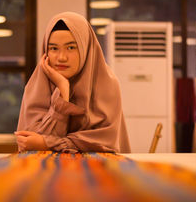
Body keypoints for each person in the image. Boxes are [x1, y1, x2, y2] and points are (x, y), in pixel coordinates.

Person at [15, 12, 130, 153]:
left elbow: (103, 144)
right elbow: (31, 144)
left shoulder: (107, 85)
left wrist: (48, 144)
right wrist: (63, 91)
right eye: (54, 48)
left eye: (71, 47)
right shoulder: (37, 86)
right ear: (46, 52)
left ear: (86, 49)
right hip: (46, 172)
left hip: (97, 172)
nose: (61, 57)